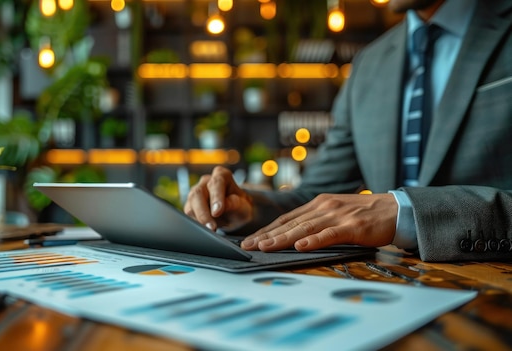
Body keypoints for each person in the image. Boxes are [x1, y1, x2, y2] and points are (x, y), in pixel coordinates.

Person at [184, 0, 512, 262]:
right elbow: (315, 195)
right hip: (395, 290)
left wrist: (406, 212)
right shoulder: (370, 63)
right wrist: (249, 209)